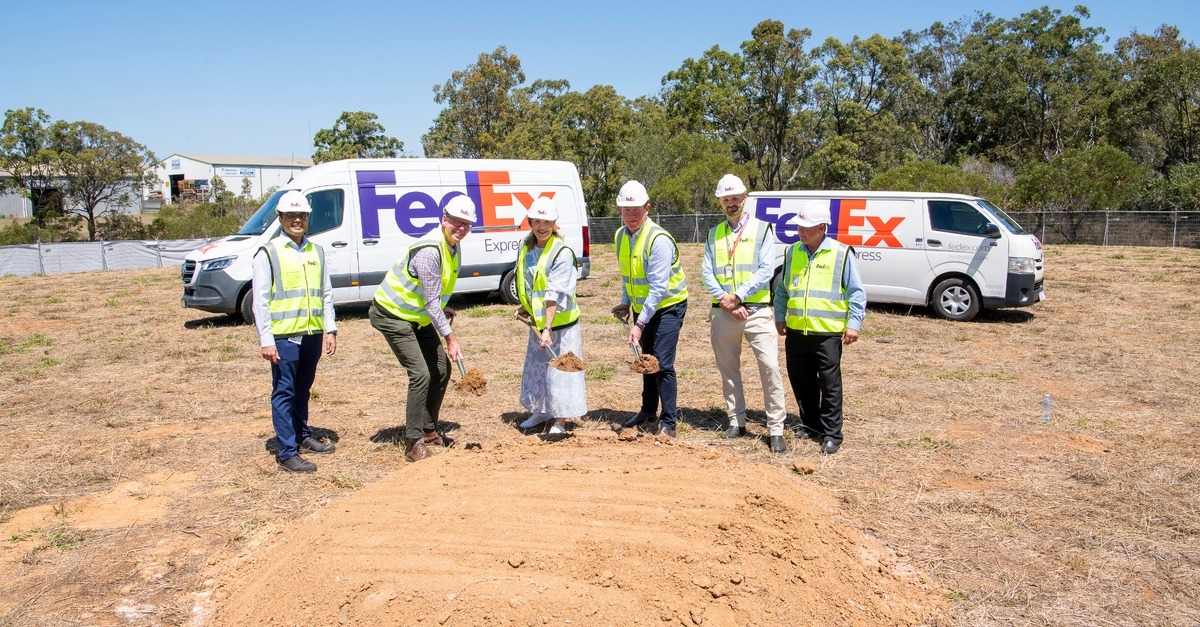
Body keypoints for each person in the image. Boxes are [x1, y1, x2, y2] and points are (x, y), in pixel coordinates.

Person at [370, 194, 476, 463]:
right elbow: (430, 302)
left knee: (441, 368)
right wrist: (450, 338)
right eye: (456, 221)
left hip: (416, 316)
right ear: (444, 219)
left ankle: (429, 430)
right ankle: (413, 442)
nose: (461, 227)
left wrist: (443, 308)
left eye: (466, 223)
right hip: (392, 314)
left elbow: (433, 293)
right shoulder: (430, 251)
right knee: (420, 374)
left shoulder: (452, 246)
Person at [701, 174, 789, 454]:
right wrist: (726, 301)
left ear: (744, 199)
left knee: (770, 368)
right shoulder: (714, 234)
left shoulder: (762, 229)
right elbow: (707, 272)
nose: (731, 203)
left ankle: (775, 428)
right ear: (720, 202)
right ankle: (736, 421)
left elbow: (766, 270)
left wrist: (738, 296)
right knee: (728, 371)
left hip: (757, 311)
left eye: (735, 198)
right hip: (724, 312)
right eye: (726, 199)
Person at [252, 190, 338, 473]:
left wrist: (330, 329)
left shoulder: (317, 251)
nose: (297, 220)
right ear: (280, 218)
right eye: (291, 215)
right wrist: (266, 340)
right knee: (284, 392)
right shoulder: (269, 253)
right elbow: (260, 301)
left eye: (302, 215)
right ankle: (287, 452)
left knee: (303, 389)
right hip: (284, 337)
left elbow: (325, 293)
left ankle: (302, 434)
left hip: (312, 334)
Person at [773, 201, 866, 455]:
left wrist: (854, 324)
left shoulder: (841, 253)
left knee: (830, 385)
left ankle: (832, 434)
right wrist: (779, 315)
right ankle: (811, 424)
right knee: (801, 381)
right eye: (799, 226)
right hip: (796, 331)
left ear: (822, 228)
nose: (800, 231)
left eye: (806, 227)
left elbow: (856, 292)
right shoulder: (792, 251)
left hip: (827, 333)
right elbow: (782, 289)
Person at [611, 180, 689, 438]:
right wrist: (626, 301)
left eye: (637, 209)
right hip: (643, 307)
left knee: (662, 363)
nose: (631, 215)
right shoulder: (621, 236)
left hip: (668, 306)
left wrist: (639, 324)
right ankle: (647, 411)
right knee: (646, 359)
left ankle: (669, 423)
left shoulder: (658, 239)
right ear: (619, 210)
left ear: (647, 208)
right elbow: (627, 275)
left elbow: (658, 288)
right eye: (626, 209)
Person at [515, 197, 587, 434]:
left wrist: (547, 328)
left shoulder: (562, 252)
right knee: (538, 367)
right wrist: (527, 307)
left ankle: (560, 420)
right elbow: (530, 283)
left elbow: (554, 293)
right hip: (539, 322)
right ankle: (541, 411)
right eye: (537, 221)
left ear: (554, 223)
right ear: (530, 222)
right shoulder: (526, 247)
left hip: (561, 324)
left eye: (546, 222)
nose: (542, 226)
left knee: (560, 370)